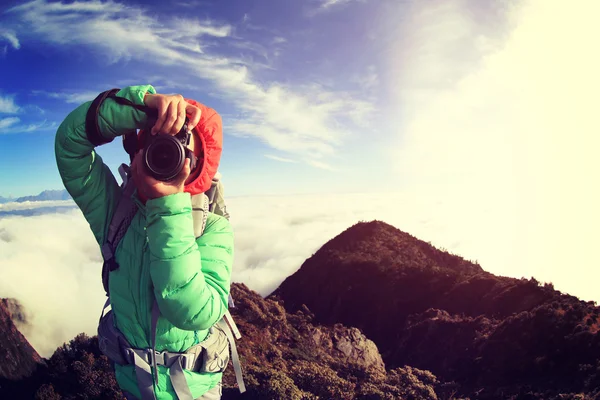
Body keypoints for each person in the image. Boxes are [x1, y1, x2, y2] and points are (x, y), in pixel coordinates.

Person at [54, 84, 233, 399]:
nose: (165, 156)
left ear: (199, 166)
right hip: (134, 388)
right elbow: (70, 144)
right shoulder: (116, 213)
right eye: (155, 144)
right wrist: (144, 108)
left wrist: (168, 207)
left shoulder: (212, 228)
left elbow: (195, 313)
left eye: (180, 149)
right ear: (137, 153)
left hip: (195, 393)